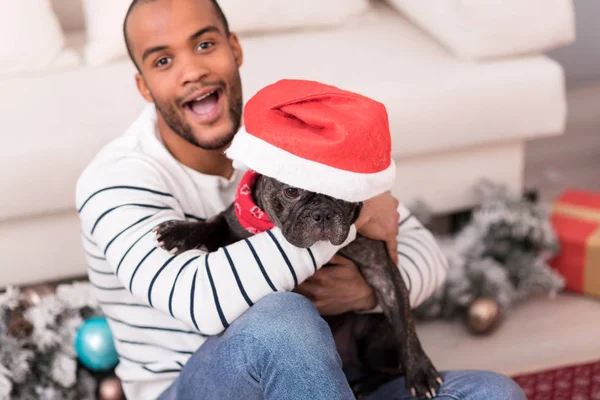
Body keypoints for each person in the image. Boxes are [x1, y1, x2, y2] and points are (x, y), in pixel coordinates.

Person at [75, 0, 527, 399]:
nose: (191, 70)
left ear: (235, 48)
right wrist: (354, 216)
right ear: (143, 85)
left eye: (205, 45)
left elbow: (427, 257)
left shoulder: (290, 133)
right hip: (200, 386)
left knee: (492, 393)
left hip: (341, 378)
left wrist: (364, 291)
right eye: (163, 60)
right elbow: (201, 300)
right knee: (281, 319)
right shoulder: (116, 178)